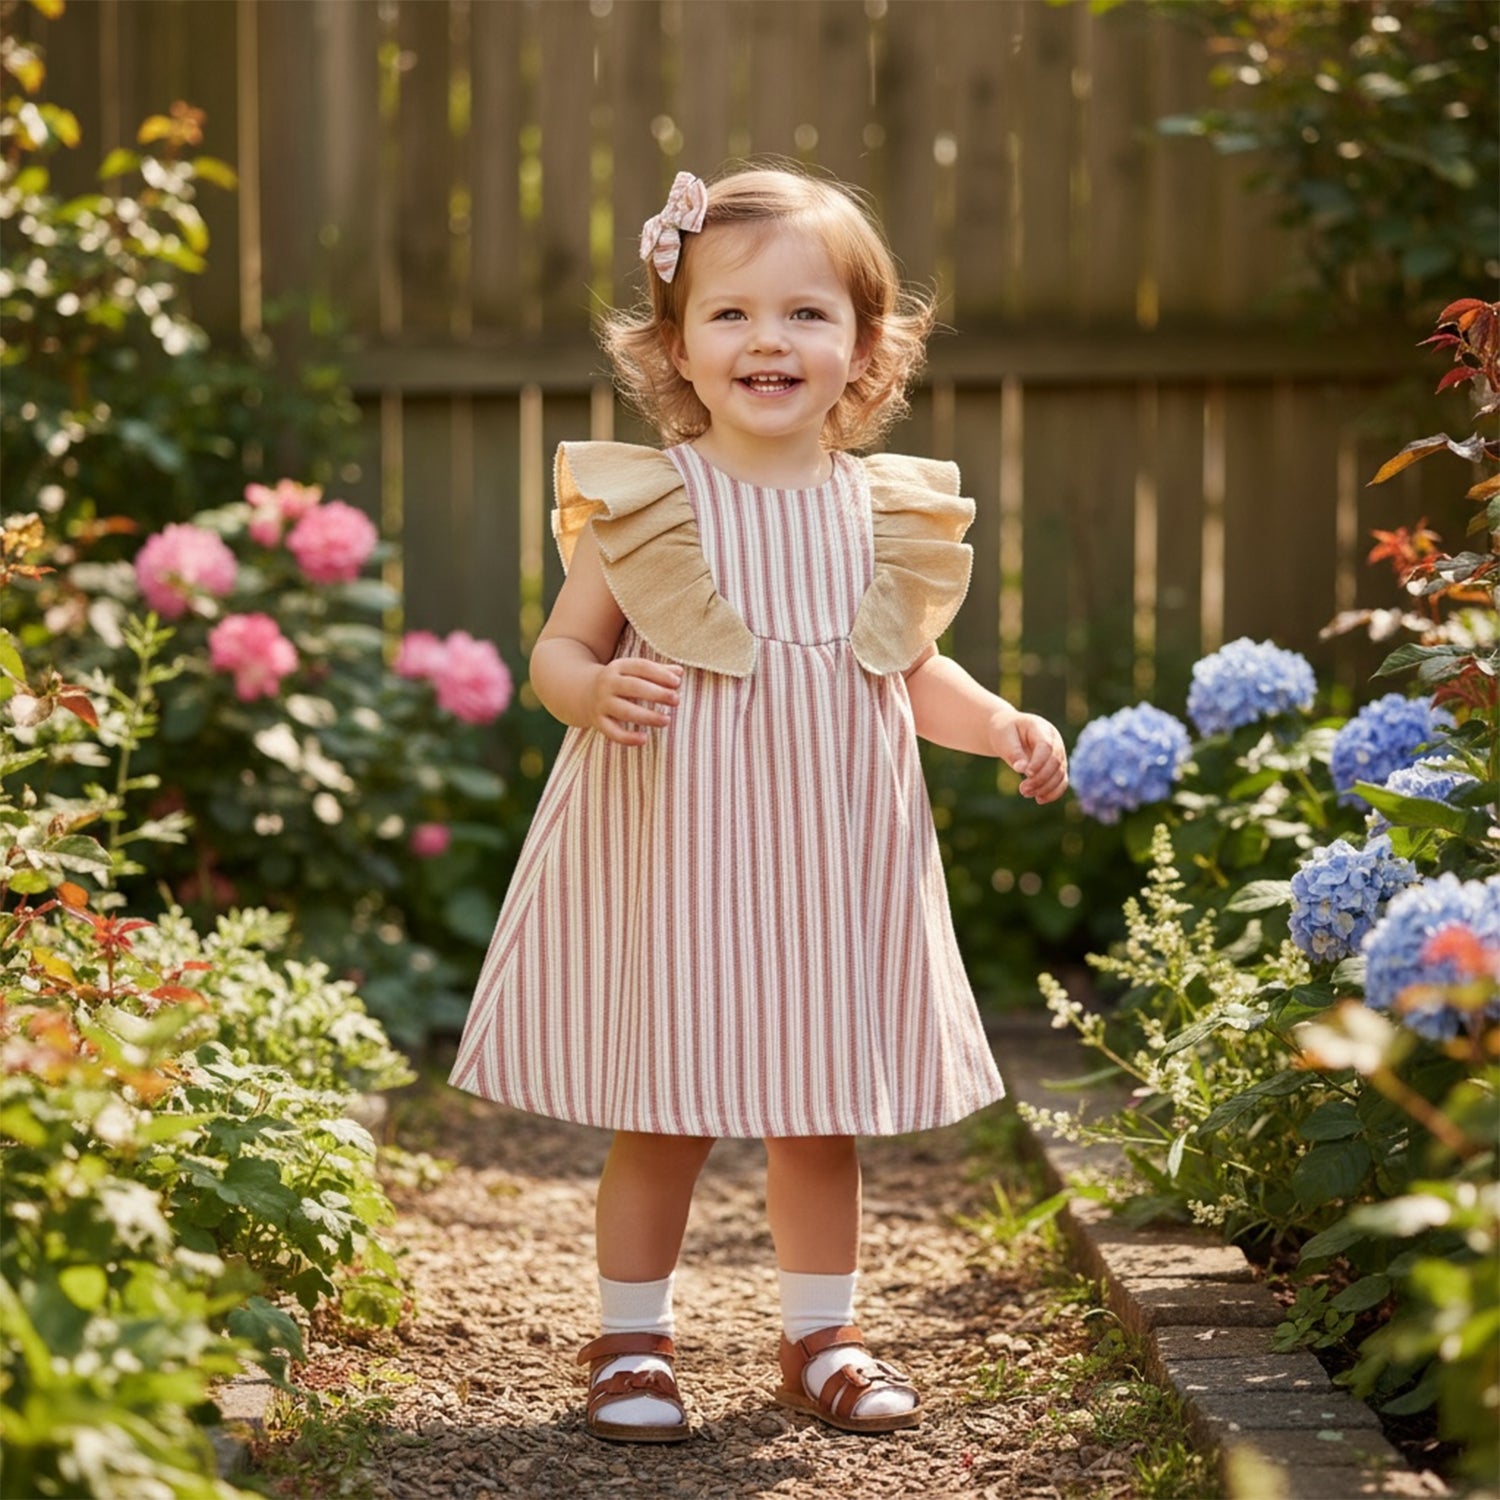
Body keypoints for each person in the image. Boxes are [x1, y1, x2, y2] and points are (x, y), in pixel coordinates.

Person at [448, 164, 1068, 1444]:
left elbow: (911, 674)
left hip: (829, 854)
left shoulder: (882, 514)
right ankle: (629, 1339)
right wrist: (591, 694)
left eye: (805, 314)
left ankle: (821, 1335)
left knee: (817, 1112)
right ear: (674, 345)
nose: (767, 340)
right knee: (666, 1109)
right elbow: (557, 650)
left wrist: (1000, 725)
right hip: (682, 852)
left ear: (867, 347)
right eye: (729, 315)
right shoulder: (650, 501)